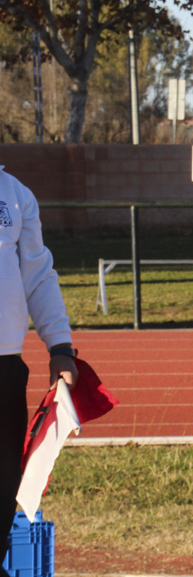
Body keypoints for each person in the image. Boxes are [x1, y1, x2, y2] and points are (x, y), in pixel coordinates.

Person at [1, 167, 78, 573]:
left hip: (4, 370)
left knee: (3, 488)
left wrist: (60, 347)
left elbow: (38, 277)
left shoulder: (15, 194)